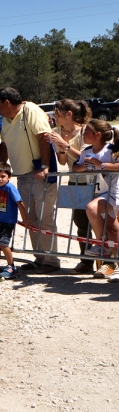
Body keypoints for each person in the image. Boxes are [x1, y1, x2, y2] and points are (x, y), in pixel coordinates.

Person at [0, 87, 60, 274]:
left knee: (44, 218)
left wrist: (45, 166)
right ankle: (40, 258)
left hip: (39, 175)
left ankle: (51, 261)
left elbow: (44, 137)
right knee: (31, 218)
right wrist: (2, 166)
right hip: (23, 176)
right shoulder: (6, 120)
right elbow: (4, 145)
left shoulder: (30, 110)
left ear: (7, 102)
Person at [48, 99, 94, 269]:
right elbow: (62, 160)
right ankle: (86, 261)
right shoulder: (57, 132)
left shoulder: (85, 131)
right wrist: (61, 147)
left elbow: (85, 158)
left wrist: (65, 144)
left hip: (92, 181)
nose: (55, 118)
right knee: (80, 223)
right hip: (75, 182)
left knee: (98, 223)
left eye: (57, 114)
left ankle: (108, 262)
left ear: (69, 114)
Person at [73, 119, 119, 279]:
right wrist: (82, 167)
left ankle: (101, 246)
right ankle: (113, 259)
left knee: (91, 209)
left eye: (86, 132)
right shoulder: (86, 151)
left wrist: (101, 165)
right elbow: (75, 166)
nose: (83, 135)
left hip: (113, 192)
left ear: (98, 135)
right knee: (112, 228)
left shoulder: (112, 150)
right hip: (98, 193)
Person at [0, 163, 29, 279]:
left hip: (7, 221)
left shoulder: (10, 188)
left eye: (2, 176)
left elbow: (20, 203)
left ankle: (11, 266)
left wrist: (25, 219)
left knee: (3, 244)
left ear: (9, 176)